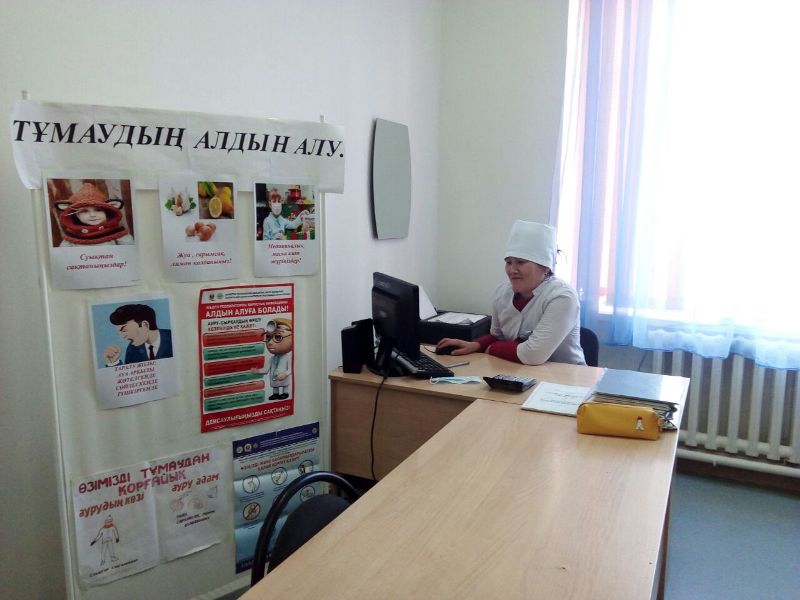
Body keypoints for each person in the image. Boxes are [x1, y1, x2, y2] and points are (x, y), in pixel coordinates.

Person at [436, 220, 586, 366]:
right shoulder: (502, 293)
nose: (512, 270)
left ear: (545, 267)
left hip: (567, 378)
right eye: (508, 262)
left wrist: (490, 348)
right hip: (519, 372)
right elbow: (498, 336)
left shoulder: (563, 297)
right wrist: (475, 345)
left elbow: (533, 355)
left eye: (520, 262)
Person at [53, 182, 134, 246]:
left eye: (98, 210)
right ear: (76, 215)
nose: (92, 215)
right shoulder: (72, 236)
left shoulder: (117, 232)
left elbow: (129, 251)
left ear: (107, 212)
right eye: (85, 211)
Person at [104, 304, 173, 366]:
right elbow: (130, 373)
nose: (123, 336)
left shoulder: (173, 337)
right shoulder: (132, 349)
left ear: (145, 325)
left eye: (124, 330)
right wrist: (113, 363)